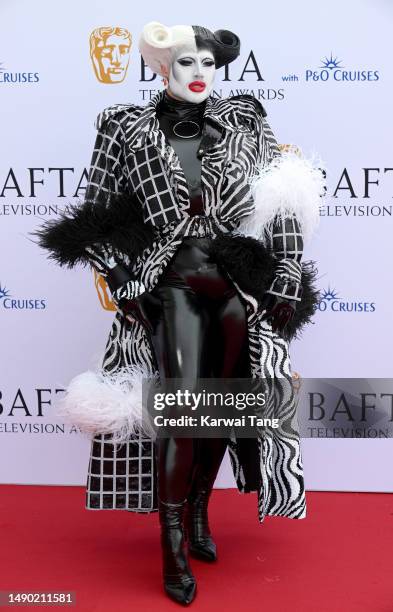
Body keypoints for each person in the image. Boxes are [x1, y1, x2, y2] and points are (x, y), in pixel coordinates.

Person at [35, 21, 323, 606]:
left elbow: (283, 197)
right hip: (172, 282)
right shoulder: (126, 127)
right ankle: (170, 544)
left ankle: (198, 514)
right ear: (161, 66)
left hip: (234, 285)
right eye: (186, 62)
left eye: (208, 64)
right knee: (183, 406)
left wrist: (286, 278)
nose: (199, 74)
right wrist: (120, 278)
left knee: (222, 407)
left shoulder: (244, 119)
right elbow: (93, 212)